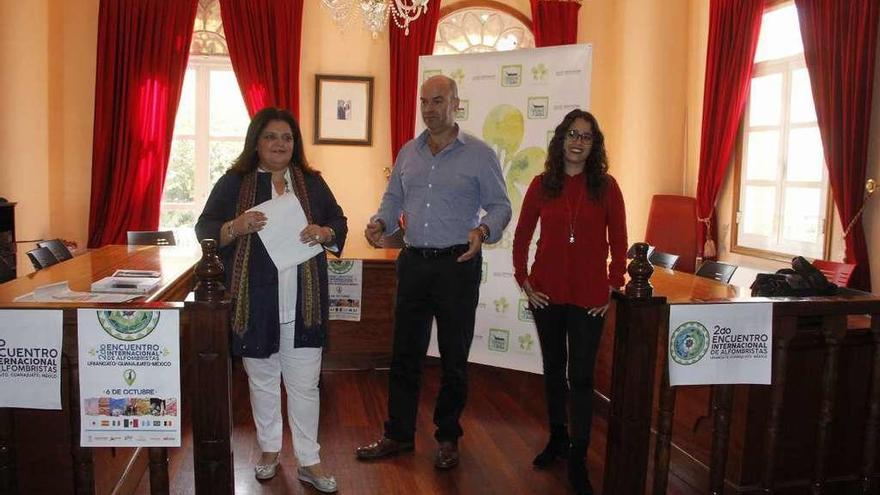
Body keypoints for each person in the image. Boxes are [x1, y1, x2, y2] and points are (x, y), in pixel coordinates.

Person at [356, 75, 511, 470]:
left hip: (457, 265)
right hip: (413, 264)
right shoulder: (409, 152)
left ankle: (447, 438)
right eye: (424, 101)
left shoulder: (479, 154)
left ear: (456, 103)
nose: (429, 108)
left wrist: (483, 230)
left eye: (438, 100)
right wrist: (380, 222)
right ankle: (398, 434)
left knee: (454, 358)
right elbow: (392, 200)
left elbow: (500, 206)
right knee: (404, 354)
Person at [195, 107, 347, 493]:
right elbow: (206, 228)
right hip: (256, 302)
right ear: (256, 143)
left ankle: (309, 461)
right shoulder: (235, 183)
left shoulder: (311, 183)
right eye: (271, 137)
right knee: (262, 381)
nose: (280, 144)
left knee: (305, 385)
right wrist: (236, 226)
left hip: (304, 303)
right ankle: (268, 452)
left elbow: (339, 222)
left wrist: (325, 232)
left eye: (287, 138)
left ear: (295, 145)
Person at [511, 109, 627, 495]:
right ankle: (557, 437)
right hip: (546, 294)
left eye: (587, 137)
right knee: (553, 369)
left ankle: (578, 454)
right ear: (561, 139)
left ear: (594, 146)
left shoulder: (607, 187)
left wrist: (611, 285)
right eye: (572, 134)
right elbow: (522, 237)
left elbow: (620, 243)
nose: (578, 142)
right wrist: (523, 279)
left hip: (589, 297)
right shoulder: (542, 184)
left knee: (580, 376)